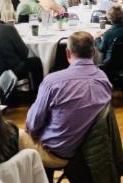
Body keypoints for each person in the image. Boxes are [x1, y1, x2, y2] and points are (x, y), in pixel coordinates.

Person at [25, 32, 112, 169]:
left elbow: (33, 124)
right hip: (90, 152)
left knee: (14, 136)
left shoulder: (53, 81)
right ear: (94, 53)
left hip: (57, 153)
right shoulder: (104, 79)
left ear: (68, 53)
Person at [0, 4, 43, 88]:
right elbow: (24, 53)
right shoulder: (9, 29)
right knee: (37, 61)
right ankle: (37, 92)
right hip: (11, 72)